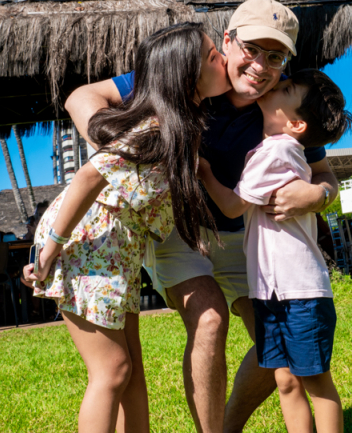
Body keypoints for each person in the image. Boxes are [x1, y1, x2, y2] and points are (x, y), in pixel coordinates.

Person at [65, 0, 339, 432]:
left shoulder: (285, 102)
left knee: (276, 342)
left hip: (247, 236)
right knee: (210, 316)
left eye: (275, 56)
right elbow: (83, 95)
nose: (260, 66)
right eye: (251, 48)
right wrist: (120, 149)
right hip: (181, 231)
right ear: (227, 41)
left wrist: (317, 196)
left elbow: (324, 175)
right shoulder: (188, 75)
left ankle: (226, 426)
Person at [22, 22, 231, 432]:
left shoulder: (182, 126)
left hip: (118, 252)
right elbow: (87, 178)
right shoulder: (157, 130)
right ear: (187, 76)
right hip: (89, 243)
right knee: (114, 371)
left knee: (131, 373)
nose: (223, 59)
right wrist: (48, 251)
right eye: (212, 56)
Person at [198, 69, 352, 433]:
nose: (276, 83)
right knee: (285, 379)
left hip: (297, 292)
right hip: (274, 290)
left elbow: (233, 207)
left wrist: (204, 172)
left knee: (317, 383)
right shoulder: (277, 148)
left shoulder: (278, 151)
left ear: (296, 124)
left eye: (286, 88)